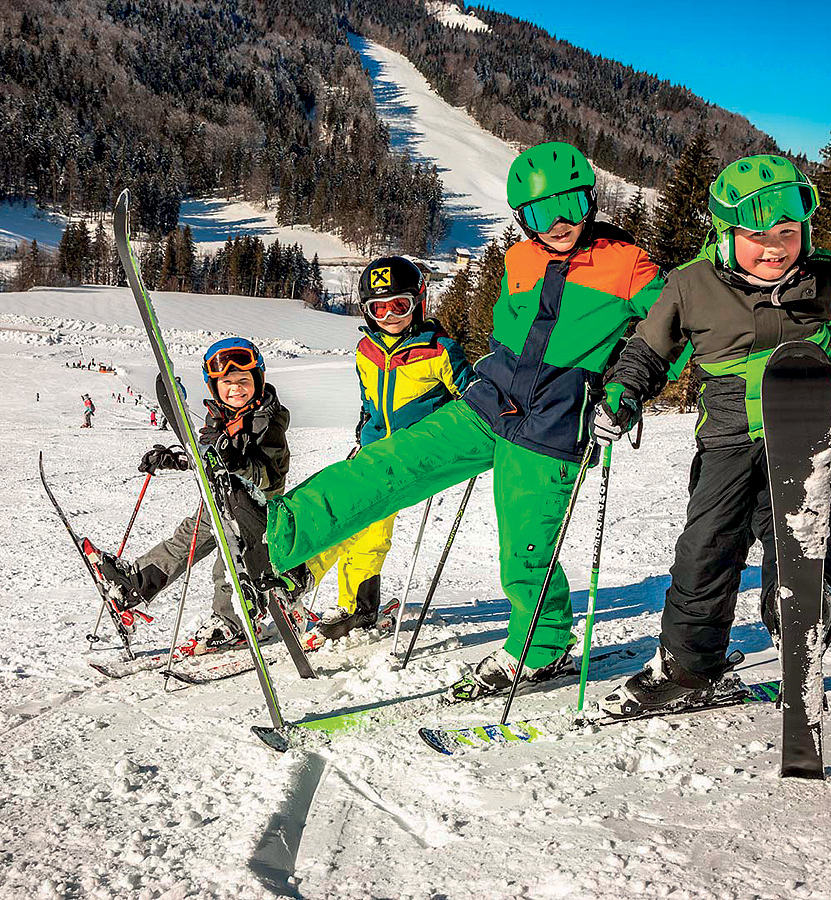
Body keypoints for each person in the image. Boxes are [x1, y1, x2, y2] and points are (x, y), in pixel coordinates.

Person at [265, 141, 664, 698]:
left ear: (590, 201)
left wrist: (623, 385)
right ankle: (277, 535)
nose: (558, 223)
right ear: (522, 218)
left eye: (569, 205)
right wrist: (479, 377)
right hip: (487, 404)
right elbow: (511, 329)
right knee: (387, 465)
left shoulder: (628, 264)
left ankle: (540, 649)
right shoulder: (519, 260)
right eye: (540, 213)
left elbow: (671, 327)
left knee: (524, 549)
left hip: (552, 426)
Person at [593, 154, 831, 715]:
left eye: (788, 232)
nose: (775, 248)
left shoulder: (828, 276)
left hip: (804, 429)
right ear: (725, 234)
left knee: (798, 527)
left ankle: (805, 616)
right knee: (706, 547)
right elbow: (649, 350)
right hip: (727, 434)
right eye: (757, 236)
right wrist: (622, 394)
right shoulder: (691, 283)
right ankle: (688, 668)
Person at [86, 338, 313, 655]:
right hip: (221, 497)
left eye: (243, 380)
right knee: (186, 539)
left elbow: (268, 476)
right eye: (227, 383)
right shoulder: (218, 416)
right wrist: (175, 459)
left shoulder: (268, 422)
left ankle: (232, 622)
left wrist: (236, 461)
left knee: (229, 565)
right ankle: (134, 587)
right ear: (214, 386)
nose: (236, 388)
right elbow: (207, 457)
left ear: (258, 381)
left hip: (255, 508)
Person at [302, 256, 474, 647]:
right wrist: (364, 432)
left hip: (417, 453)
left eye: (399, 305)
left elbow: (470, 398)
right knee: (341, 505)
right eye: (378, 308)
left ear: (419, 302)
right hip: (376, 451)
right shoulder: (366, 349)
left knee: (367, 517)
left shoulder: (440, 350)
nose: (390, 316)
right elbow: (369, 400)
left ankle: (345, 600)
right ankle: (340, 594)